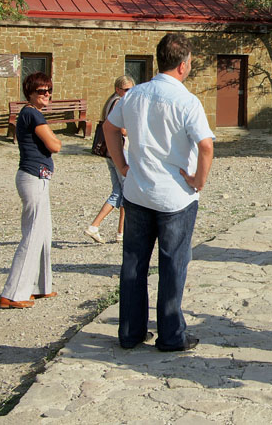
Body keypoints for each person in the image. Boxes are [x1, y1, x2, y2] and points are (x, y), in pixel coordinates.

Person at [104, 33, 214, 351]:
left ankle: (130, 332)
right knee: (172, 265)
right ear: (183, 65)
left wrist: (122, 165)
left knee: (134, 264)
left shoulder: (134, 95)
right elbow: (206, 145)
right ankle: (170, 334)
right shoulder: (187, 101)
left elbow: (109, 128)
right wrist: (199, 180)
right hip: (175, 195)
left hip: (138, 190)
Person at [0, 72, 62, 309]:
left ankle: (40, 286)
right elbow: (54, 145)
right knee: (33, 234)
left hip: (39, 178)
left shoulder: (30, 114)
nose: (46, 95)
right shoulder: (32, 114)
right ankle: (13, 293)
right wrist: (55, 139)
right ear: (30, 93)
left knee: (44, 234)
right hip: (32, 177)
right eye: (41, 91)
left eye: (49, 90)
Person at [84, 75, 135, 243]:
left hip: (110, 152)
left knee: (118, 191)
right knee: (126, 191)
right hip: (120, 151)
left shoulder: (111, 102)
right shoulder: (118, 103)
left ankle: (99, 227)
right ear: (118, 89)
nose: (129, 92)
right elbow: (121, 130)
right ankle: (119, 231)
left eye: (131, 89)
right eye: (126, 89)